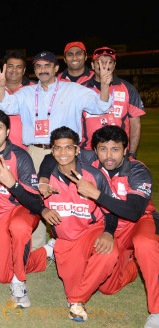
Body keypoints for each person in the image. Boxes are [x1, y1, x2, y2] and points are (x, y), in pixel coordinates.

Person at [38, 125, 159, 327]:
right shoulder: (88, 159)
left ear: (125, 150)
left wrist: (97, 195)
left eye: (115, 149)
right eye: (103, 149)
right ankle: (132, 264)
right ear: (94, 150)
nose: (108, 156)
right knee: (107, 287)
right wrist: (42, 179)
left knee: (145, 244)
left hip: (137, 224)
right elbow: (55, 155)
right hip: (109, 227)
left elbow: (133, 212)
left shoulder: (137, 170)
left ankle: (156, 311)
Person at [33, 126, 118, 322]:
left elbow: (110, 209)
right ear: (52, 151)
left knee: (109, 254)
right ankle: (51, 254)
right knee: (75, 282)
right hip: (65, 238)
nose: (63, 153)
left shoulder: (95, 176)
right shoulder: (45, 181)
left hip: (91, 230)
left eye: (68, 148)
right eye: (58, 148)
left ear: (77, 150)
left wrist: (108, 232)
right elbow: (31, 200)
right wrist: (43, 209)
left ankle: (76, 301)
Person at [0, 110, 51, 308]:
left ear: (7, 132)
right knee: (2, 276)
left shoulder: (20, 156)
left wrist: (13, 184)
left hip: (21, 210)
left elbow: (35, 201)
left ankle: (20, 282)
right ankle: (46, 253)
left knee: (18, 227)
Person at [0, 50, 113, 171]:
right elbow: (5, 107)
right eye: (38, 66)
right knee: (36, 189)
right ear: (34, 70)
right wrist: (1, 87)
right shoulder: (26, 92)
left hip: (65, 152)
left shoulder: (73, 89)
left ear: (56, 68)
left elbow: (101, 107)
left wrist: (104, 85)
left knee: (65, 188)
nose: (42, 70)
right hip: (36, 152)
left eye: (47, 65)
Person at [80, 47, 145, 154]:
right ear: (92, 65)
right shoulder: (81, 89)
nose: (104, 65)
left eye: (109, 62)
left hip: (118, 152)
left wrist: (132, 153)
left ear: (114, 65)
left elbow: (136, 124)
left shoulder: (128, 88)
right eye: (100, 62)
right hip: (88, 152)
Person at [0, 52, 34, 150]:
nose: (14, 70)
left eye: (18, 67)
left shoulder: (34, 89)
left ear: (24, 71)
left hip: (29, 149)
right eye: (10, 66)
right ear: (4, 68)